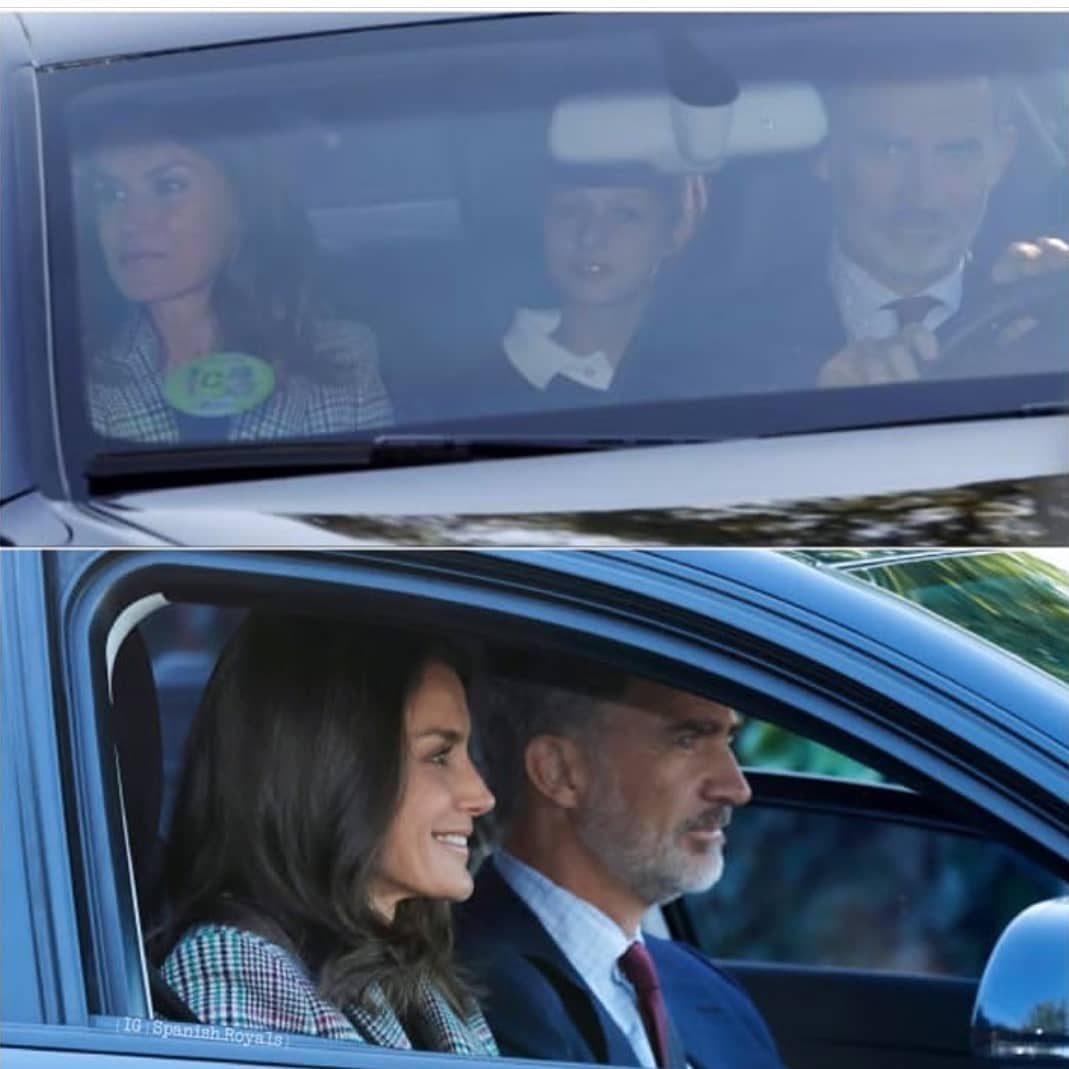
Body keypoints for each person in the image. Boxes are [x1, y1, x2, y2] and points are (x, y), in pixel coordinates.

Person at [150, 611, 497, 1054]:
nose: (481, 795)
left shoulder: (411, 971)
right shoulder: (237, 975)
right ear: (334, 773)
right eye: (438, 756)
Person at [455, 652, 785, 1069]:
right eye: (687, 740)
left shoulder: (705, 986)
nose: (736, 788)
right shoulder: (463, 989)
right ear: (560, 771)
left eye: (728, 742)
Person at [79, 106, 394, 443]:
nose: (130, 221)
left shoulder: (341, 358)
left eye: (169, 186)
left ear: (241, 205)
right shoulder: (70, 380)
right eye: (111, 194)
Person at [731, 75, 1068, 388]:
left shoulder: (1039, 309)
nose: (923, 195)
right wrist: (810, 407)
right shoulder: (732, 342)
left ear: (1001, 156)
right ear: (826, 154)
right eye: (888, 150)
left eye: (956, 154)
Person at [444, 163, 707, 420]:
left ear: (677, 232)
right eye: (568, 211)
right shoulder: (461, 404)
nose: (590, 237)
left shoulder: (711, 380)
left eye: (625, 214)